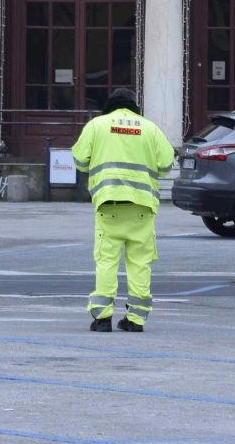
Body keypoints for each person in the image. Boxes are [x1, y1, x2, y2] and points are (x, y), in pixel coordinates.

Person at [70, 86, 175, 332]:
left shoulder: (97, 125)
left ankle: (102, 318)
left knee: (106, 261)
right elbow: (167, 164)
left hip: (109, 205)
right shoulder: (149, 128)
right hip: (142, 207)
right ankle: (136, 319)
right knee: (140, 263)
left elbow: (79, 160)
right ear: (134, 106)